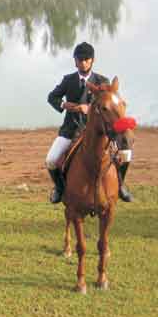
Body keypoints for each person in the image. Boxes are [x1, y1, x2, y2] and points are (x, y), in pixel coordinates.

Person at [46, 42, 133, 203]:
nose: (83, 62)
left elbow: (113, 103)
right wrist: (64, 104)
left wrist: (89, 107)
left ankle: (120, 185)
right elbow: (52, 97)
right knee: (51, 160)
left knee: (126, 154)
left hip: (99, 131)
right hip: (71, 130)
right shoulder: (68, 80)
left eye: (86, 59)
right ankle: (59, 189)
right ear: (75, 61)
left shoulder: (102, 81)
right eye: (80, 59)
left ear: (92, 61)